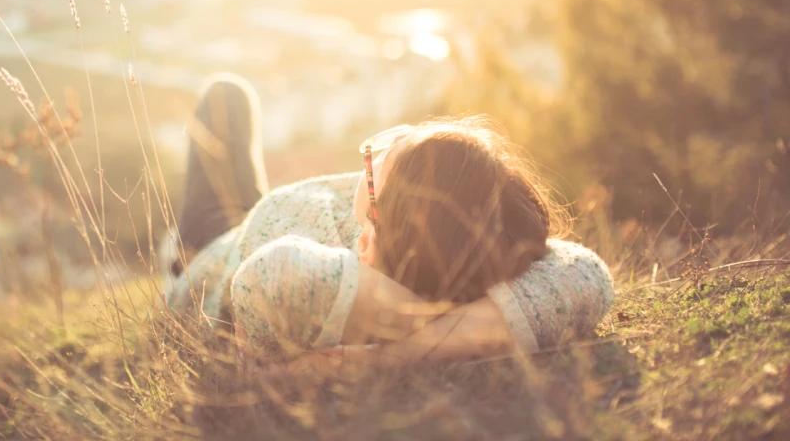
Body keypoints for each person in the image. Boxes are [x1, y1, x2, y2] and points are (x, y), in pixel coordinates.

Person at [162, 74, 614, 367]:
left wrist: (377, 361)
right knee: (229, 98)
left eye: (381, 163)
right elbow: (587, 275)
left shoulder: (308, 274)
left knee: (224, 96)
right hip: (248, 226)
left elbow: (273, 274)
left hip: (212, 252)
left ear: (367, 245)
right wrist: (420, 341)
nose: (369, 160)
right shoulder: (462, 246)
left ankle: (173, 261)